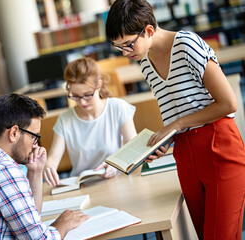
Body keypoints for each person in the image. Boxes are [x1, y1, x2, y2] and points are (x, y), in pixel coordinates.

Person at [105, 1, 245, 239]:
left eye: (128, 44)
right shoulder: (146, 63)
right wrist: (165, 141)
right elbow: (176, 113)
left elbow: (227, 103)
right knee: (204, 234)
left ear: (148, 30)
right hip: (185, 153)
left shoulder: (187, 44)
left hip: (218, 144)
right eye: (119, 48)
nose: (126, 53)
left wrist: (177, 125)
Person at [0, 93, 89, 239]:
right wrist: (63, 223)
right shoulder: (3, 170)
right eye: (34, 136)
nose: (35, 145)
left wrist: (35, 171)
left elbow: (29, 220)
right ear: (14, 133)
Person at [44, 57, 138, 186]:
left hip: (117, 181)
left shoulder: (117, 107)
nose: (82, 102)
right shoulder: (65, 120)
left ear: (99, 85)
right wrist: (49, 167)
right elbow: (53, 159)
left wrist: (117, 164)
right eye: (75, 96)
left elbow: (134, 146)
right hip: (82, 185)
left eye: (87, 95)